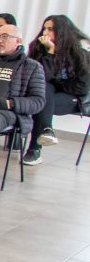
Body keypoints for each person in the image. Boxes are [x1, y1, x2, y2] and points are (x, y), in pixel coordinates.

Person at [26, 14, 90, 164]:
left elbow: (81, 87)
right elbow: (40, 79)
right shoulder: (39, 48)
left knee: (44, 97)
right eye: (45, 29)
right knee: (44, 91)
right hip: (49, 95)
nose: (45, 34)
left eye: (51, 30)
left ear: (62, 32)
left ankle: (34, 149)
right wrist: (50, 53)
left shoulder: (82, 52)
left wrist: (58, 83)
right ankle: (47, 129)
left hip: (74, 98)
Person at [0, 20, 45, 159]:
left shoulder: (31, 66)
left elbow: (38, 101)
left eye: (5, 36)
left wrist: (10, 103)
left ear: (18, 41)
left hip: (8, 112)